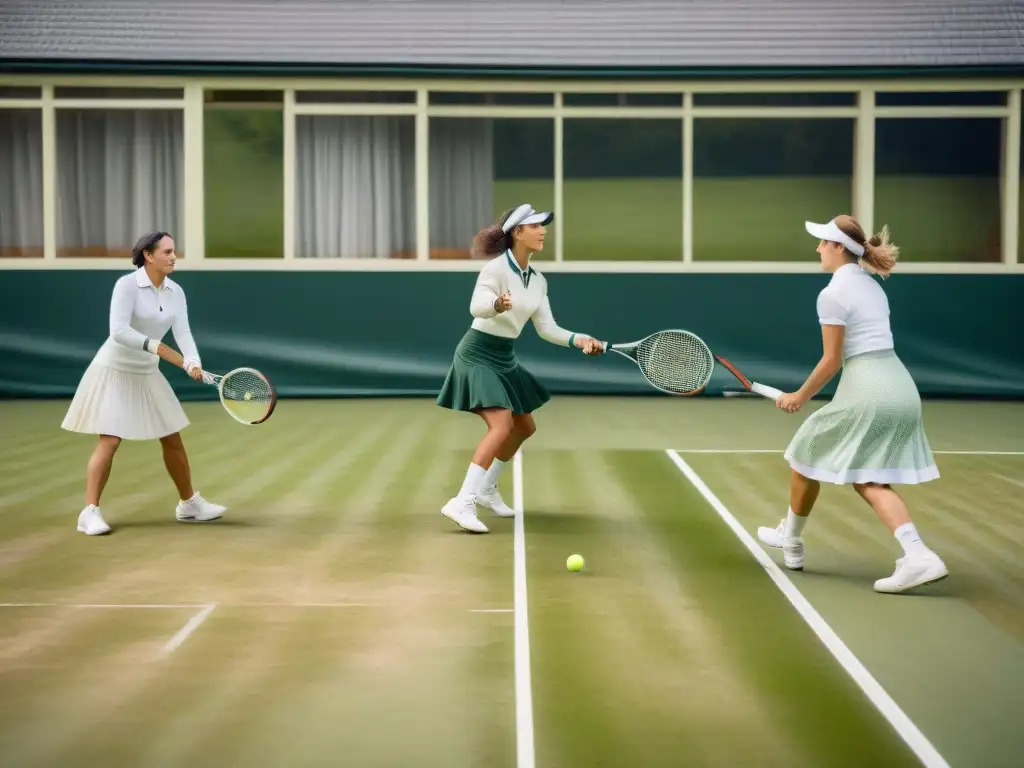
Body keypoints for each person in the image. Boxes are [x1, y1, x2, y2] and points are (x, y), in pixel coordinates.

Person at [756, 215, 948, 594]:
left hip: (870, 389)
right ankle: (915, 553)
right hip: (901, 388)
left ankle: (792, 536)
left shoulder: (831, 294)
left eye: (823, 243)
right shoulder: (873, 286)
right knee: (867, 479)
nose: (817, 249)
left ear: (838, 247)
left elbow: (832, 360)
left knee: (804, 452)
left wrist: (799, 397)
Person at [436, 204, 604, 533]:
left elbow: (547, 329)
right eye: (536, 226)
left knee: (524, 428)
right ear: (518, 232)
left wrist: (580, 339)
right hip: (477, 353)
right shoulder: (495, 270)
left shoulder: (538, 281)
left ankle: (486, 489)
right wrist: (496, 304)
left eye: (544, 226)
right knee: (500, 426)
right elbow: (476, 306)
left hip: (505, 357)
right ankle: (463, 501)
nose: (543, 231)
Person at [61, 231, 226, 535]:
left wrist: (193, 361)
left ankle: (188, 503)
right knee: (110, 439)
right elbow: (119, 331)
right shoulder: (127, 285)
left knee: (171, 437)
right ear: (148, 256)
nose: (173, 257)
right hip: (114, 369)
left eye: (173, 251)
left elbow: (184, 332)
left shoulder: (176, 291)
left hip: (147, 372)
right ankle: (90, 512)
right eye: (166, 252)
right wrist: (156, 347)